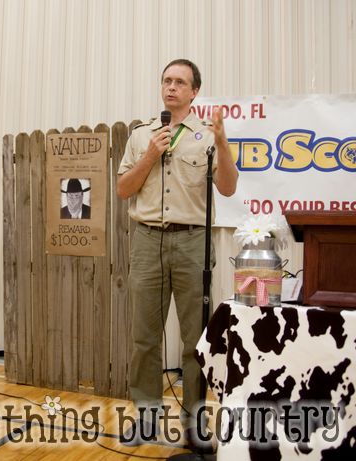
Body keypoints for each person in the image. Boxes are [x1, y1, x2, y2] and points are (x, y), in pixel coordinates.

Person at [116, 59, 238, 449]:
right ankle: (147, 418)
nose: (171, 87)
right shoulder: (141, 136)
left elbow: (229, 188)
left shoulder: (206, 136)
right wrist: (151, 155)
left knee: (195, 339)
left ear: (194, 91)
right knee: (145, 338)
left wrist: (221, 142)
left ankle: (194, 425)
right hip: (147, 240)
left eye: (180, 82)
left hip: (192, 243)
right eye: (166, 80)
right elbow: (123, 190)